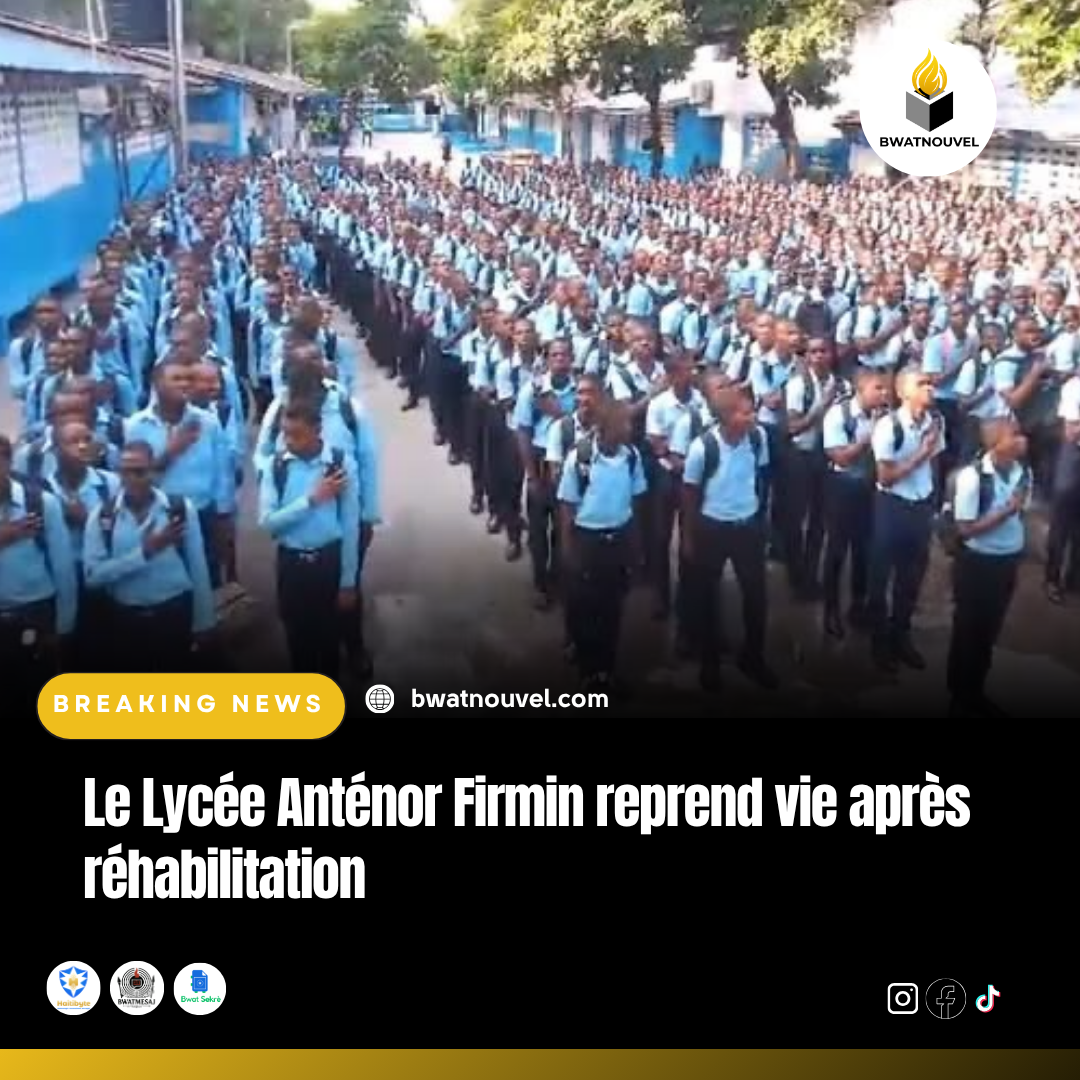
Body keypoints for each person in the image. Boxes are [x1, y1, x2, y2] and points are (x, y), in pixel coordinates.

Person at [83, 440, 215, 673]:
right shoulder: (103, 516)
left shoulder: (178, 510)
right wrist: (144, 553)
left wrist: (203, 622)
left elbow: (198, 567)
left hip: (173, 614)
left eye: (140, 472)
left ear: (153, 472)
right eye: (125, 472)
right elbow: (93, 575)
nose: (132, 479)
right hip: (126, 620)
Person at [681, 386, 777, 692]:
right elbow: (689, 494)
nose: (752, 417)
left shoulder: (757, 438)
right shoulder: (703, 447)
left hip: (747, 526)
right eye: (744, 412)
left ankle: (753, 657)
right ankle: (709, 664)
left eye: (752, 411)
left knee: (756, 596)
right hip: (712, 528)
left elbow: (761, 478)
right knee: (708, 597)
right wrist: (688, 537)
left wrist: (760, 517)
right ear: (725, 416)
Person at [257, 401, 360, 680]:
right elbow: (268, 523)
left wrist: (348, 582)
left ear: (318, 430)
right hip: (292, 565)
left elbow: (350, 525)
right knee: (297, 640)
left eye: (297, 435)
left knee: (329, 641)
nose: (290, 442)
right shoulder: (276, 467)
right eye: (285, 434)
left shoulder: (340, 464)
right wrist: (311, 500)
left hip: (329, 560)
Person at [558, 399, 647, 690]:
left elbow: (635, 500)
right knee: (586, 610)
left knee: (612, 610)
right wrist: (570, 551)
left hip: (617, 541)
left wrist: (635, 547)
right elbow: (568, 508)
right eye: (624, 423)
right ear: (606, 427)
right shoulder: (580, 459)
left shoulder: (631, 456)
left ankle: (607, 669)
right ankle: (588, 670)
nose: (630, 428)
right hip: (588, 541)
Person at [947, 418, 1032, 717]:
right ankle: (960, 694)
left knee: (989, 631)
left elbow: (1022, 514)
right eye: (1015, 435)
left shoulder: (1023, 473)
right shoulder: (972, 478)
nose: (1022, 440)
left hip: (1007, 560)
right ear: (996, 444)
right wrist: (1006, 511)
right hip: (978, 564)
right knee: (969, 631)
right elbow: (965, 529)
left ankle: (975, 690)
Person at [866, 366, 943, 674]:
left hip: (920, 506)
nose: (930, 388)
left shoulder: (935, 422)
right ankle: (879, 643)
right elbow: (885, 478)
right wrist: (921, 454)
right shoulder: (888, 427)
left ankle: (901, 635)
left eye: (930, 383)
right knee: (881, 579)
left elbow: (936, 463)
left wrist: (934, 501)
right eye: (921, 384)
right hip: (892, 506)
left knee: (911, 579)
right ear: (903, 392)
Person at [0, 433, 77, 708]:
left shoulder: (42, 503)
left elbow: (63, 568)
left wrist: (63, 627)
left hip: (35, 615)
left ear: (8, 461)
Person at [820, 369, 891, 639]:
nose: (883, 394)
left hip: (870, 487)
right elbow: (840, 457)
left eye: (885, 389)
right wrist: (868, 437)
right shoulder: (839, 415)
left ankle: (858, 606)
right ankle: (831, 609)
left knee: (865, 550)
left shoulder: (884, 415)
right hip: (842, 486)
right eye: (877, 389)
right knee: (837, 549)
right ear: (860, 390)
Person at [1045, 369, 1080, 604]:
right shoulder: (1075, 387)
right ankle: (1052, 579)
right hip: (1075, 457)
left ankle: (1074, 580)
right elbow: (1071, 432)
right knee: (1062, 524)